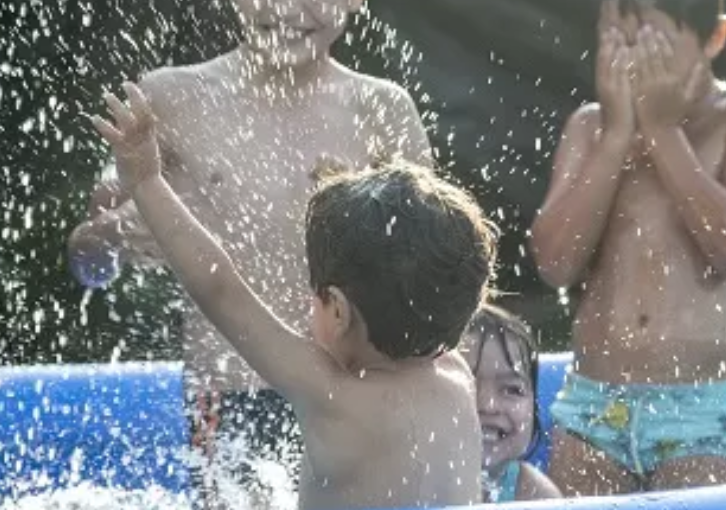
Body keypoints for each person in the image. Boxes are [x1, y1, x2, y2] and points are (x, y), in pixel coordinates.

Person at [66, 0, 432, 506]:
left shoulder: (382, 113)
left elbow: (435, 284)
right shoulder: (171, 101)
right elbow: (88, 260)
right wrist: (110, 241)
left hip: (354, 398)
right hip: (226, 398)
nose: (288, 4)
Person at [92, 81, 495, 509]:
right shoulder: (457, 379)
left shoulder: (332, 397)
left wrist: (148, 182)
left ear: (337, 310)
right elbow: (434, 266)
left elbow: (221, 289)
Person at [529, 0, 726, 495]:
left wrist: (659, 127)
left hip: (705, 412)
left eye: (652, 44)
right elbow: (554, 262)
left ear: (714, 38)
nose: (633, 62)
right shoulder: (591, 127)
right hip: (592, 404)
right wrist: (619, 135)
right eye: (617, 40)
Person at [461, 304, 561, 503]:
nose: (488, 405)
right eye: (468, 385)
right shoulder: (412, 478)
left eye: (512, 390)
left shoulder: (534, 495)